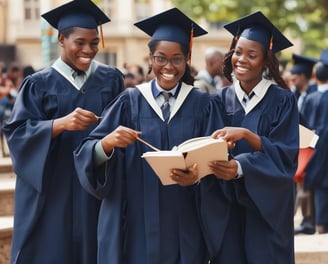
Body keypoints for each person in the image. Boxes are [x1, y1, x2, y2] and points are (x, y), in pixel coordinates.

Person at [73, 7, 224, 264]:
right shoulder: (130, 101)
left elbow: (220, 159)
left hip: (186, 222)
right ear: (150, 58)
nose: (168, 66)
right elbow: (87, 150)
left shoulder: (202, 104)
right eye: (160, 58)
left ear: (187, 59)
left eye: (177, 58)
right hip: (137, 225)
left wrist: (197, 177)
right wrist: (108, 143)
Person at [2, 0, 124, 263]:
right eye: (79, 42)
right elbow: (17, 133)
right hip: (52, 187)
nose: (88, 50)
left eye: (93, 43)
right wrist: (59, 124)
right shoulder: (38, 84)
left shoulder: (111, 80)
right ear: (61, 39)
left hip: (94, 186)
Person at [202, 11, 299, 263]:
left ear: (266, 61)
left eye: (252, 55)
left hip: (267, 211)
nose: (242, 59)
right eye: (238, 52)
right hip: (228, 208)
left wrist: (243, 153)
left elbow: (286, 155)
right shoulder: (218, 101)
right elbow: (207, 149)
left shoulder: (283, 100)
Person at [290, 53, 318, 235]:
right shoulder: (293, 95)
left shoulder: (315, 95)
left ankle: (310, 221)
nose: (292, 81)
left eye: (294, 77)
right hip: (296, 146)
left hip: (312, 147)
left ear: (303, 77)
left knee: (309, 185)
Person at [302, 50, 328, 234]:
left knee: (318, 185)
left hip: (315, 146)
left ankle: (319, 224)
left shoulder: (311, 98)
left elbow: (304, 127)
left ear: (315, 77)